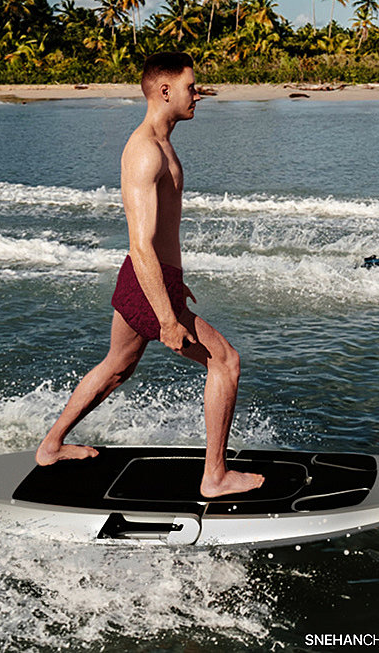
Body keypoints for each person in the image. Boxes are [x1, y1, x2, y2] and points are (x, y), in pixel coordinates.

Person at [36, 51, 264, 499]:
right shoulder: (144, 151)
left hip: (152, 279)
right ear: (164, 91)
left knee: (118, 367)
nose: (197, 93)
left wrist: (175, 281)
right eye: (190, 87)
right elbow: (140, 245)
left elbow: (158, 238)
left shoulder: (162, 143)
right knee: (226, 361)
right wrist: (165, 316)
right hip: (146, 282)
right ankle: (214, 476)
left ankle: (50, 446)